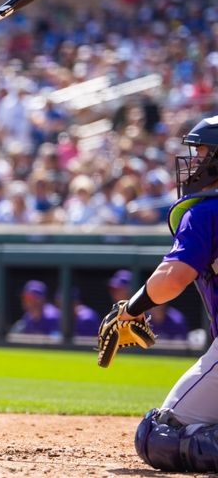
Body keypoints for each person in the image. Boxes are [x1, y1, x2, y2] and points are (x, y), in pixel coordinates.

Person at [105, 116, 218, 472]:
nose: (195, 162)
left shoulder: (205, 210)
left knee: (160, 434)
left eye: (202, 153)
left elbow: (173, 277)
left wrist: (133, 309)